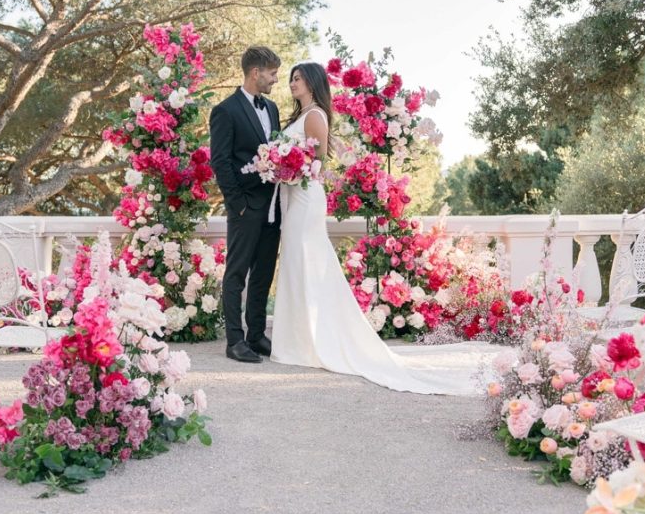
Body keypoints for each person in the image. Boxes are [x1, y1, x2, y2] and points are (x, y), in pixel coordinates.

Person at [269, 62, 505, 395]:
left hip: (306, 198)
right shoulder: (299, 116)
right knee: (295, 264)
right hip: (293, 198)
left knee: (305, 262)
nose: (292, 83)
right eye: (291, 78)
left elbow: (316, 165)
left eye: (297, 78)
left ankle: (310, 341)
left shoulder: (315, 116)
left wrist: (287, 169)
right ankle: (297, 338)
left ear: (312, 82)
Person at [209, 46, 283, 363]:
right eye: (272, 73)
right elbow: (221, 162)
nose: (275, 79)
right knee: (237, 274)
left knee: (263, 273)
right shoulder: (225, 110)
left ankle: (255, 335)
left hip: (272, 207)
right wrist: (237, 204)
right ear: (256, 73)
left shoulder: (273, 108)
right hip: (245, 207)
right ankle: (235, 341)